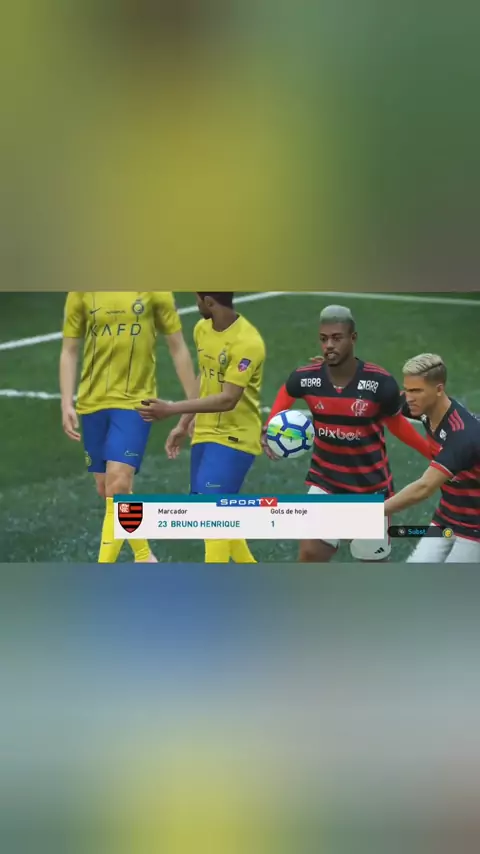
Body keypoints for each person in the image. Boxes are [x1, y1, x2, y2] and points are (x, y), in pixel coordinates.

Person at [264, 305, 433, 562]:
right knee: (311, 553)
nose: (329, 345)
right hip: (325, 482)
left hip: (369, 488)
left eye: (336, 338)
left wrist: (431, 453)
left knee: (371, 567)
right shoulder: (308, 378)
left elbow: (396, 423)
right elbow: (288, 390)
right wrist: (271, 425)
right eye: (323, 339)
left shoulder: (379, 383)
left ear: (353, 338)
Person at [60, 291, 196, 563]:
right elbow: (69, 350)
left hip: (136, 402)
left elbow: (178, 347)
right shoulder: (81, 292)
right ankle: (144, 556)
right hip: (92, 403)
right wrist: (66, 402)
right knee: (107, 490)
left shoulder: (156, 290)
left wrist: (193, 405)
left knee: (118, 484)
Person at [137, 292, 266, 564]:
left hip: (235, 438)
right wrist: (183, 423)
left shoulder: (248, 342)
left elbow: (228, 399)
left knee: (212, 518)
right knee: (216, 516)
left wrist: (171, 408)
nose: (195, 304)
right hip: (205, 434)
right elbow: (204, 377)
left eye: (197, 299)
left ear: (209, 302)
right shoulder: (201, 329)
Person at [384, 353, 480, 562]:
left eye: (416, 391)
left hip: (475, 527)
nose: (409, 397)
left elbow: (424, 488)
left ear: (439, 389)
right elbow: (380, 397)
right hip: (447, 517)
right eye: (407, 389)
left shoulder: (463, 435)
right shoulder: (422, 407)